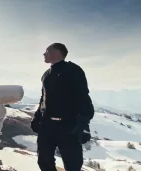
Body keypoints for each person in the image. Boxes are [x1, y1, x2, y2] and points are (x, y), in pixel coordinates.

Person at [31, 43, 94, 171]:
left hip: (68, 127)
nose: (44, 54)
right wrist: (37, 117)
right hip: (47, 126)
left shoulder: (73, 70)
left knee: (73, 165)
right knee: (44, 161)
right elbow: (43, 98)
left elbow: (83, 97)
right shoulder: (46, 74)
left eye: (47, 51)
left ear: (57, 52)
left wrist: (83, 124)